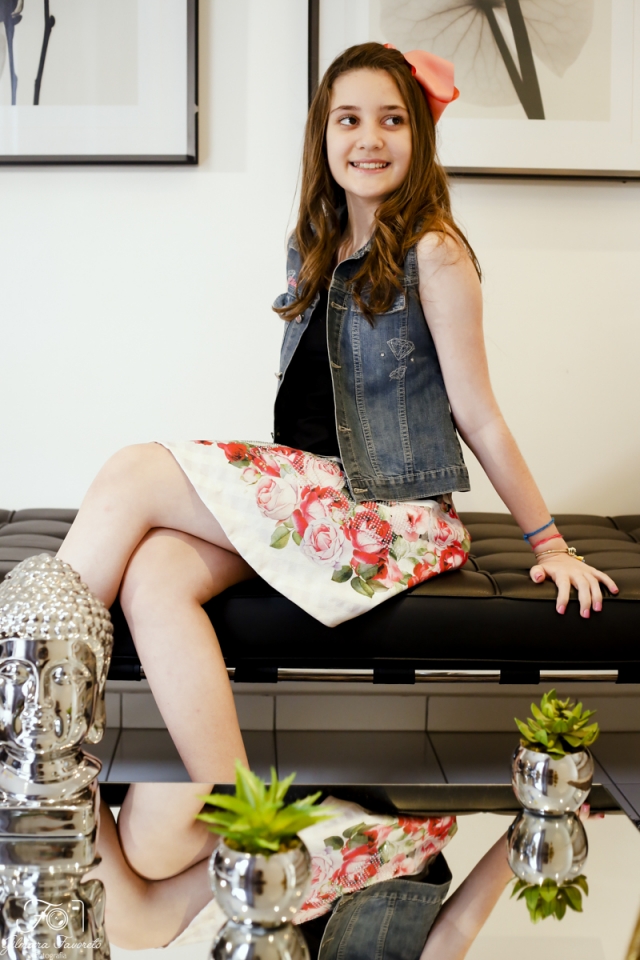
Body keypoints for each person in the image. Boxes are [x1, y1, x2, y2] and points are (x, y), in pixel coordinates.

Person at [47, 42, 617, 782]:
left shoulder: (434, 251)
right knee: (155, 572)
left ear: (419, 135)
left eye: (391, 120)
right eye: (349, 119)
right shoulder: (313, 246)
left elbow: (479, 414)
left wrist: (549, 544)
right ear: (323, 134)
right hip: (317, 490)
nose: (369, 138)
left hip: (389, 512)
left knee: (134, 472)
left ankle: (24, 706)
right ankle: (236, 805)